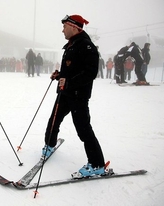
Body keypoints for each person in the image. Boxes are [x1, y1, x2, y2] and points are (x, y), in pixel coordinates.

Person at [42, 14, 105, 178]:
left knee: (83, 129)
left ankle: (97, 164)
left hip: (78, 95)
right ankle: (49, 145)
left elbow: (90, 73)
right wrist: (60, 75)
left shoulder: (87, 46)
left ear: (74, 27)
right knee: (54, 120)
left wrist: (69, 82)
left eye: (64, 26)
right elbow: (71, 70)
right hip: (65, 93)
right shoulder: (71, 45)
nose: (62, 29)